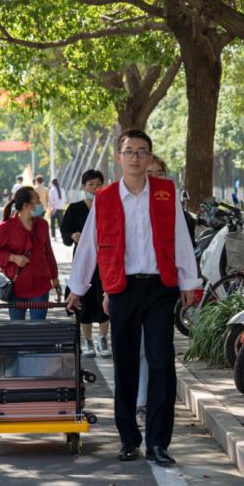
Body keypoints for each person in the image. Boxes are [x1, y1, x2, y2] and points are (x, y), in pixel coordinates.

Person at [66, 129, 199, 466]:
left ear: (150, 156)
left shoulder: (166, 193)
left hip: (159, 288)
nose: (136, 157)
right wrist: (77, 288)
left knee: (160, 363)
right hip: (122, 289)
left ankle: (158, 443)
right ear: (118, 157)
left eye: (142, 151)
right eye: (129, 151)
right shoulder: (107, 197)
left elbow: (180, 238)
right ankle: (129, 440)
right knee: (125, 365)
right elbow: (90, 246)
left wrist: (188, 281)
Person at [135, 154, 173, 424]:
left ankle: (156, 406)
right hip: (129, 288)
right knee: (136, 352)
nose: (155, 179)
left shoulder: (170, 205)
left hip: (162, 288)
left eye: (159, 173)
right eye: (150, 173)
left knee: (158, 353)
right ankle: (139, 401)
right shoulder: (127, 204)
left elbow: (182, 247)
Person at [0, 186, 60, 321]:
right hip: (16, 287)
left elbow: (48, 252)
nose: (40, 205)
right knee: (18, 330)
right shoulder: (5, 227)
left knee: (38, 329)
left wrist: (55, 277)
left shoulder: (43, 225)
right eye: (37, 201)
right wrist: (13, 258)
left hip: (40, 285)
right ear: (26, 205)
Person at [61, 169, 110, 358]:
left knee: (104, 299)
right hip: (82, 262)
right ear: (84, 187)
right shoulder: (75, 209)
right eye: (91, 185)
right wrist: (73, 235)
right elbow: (65, 231)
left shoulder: (108, 206)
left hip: (105, 261)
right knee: (85, 302)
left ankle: (102, 338)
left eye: (98, 184)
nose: (95, 188)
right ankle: (88, 341)